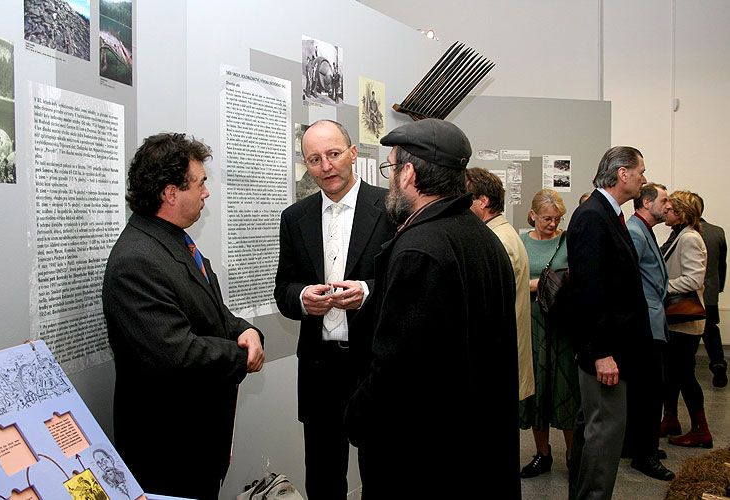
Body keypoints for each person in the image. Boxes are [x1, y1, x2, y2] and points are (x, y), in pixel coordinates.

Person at [345, 119, 521, 499]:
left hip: (422, 458)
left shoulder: (419, 248)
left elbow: (397, 367)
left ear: (408, 173)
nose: (390, 179)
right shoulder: (480, 236)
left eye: (392, 168)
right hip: (473, 448)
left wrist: (356, 414)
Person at [102, 133, 265, 500]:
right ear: (170, 193)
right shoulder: (137, 261)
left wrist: (248, 331)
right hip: (167, 452)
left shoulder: (173, 242)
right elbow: (175, 353)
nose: (206, 193)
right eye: (201, 183)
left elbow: (213, 313)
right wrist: (243, 356)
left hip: (197, 445)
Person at [274, 120, 396, 500]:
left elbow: (406, 284)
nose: (325, 166)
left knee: (382, 472)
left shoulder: (391, 209)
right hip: (320, 368)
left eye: (333, 154)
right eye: (314, 159)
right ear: (306, 165)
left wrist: (366, 291)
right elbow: (283, 289)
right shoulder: (295, 217)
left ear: (353, 154)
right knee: (324, 477)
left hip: (375, 364)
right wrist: (302, 298)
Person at [567, 146, 652, 500]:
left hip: (612, 349)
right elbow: (590, 291)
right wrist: (602, 352)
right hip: (605, 353)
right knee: (605, 434)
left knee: (594, 430)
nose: (644, 179)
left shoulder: (607, 213)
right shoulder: (593, 216)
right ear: (623, 174)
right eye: (641, 171)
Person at [517, 189, 579, 477]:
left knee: (566, 389)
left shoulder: (569, 243)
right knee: (536, 389)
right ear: (533, 215)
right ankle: (543, 454)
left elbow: (576, 281)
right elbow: (511, 279)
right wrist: (542, 283)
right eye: (547, 219)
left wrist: (533, 284)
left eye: (557, 219)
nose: (553, 224)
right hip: (530, 324)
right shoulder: (521, 243)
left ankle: (572, 454)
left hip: (561, 325)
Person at [466, 168, 534, 404]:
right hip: (504, 354)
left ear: (482, 201)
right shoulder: (501, 234)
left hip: (498, 357)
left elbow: (485, 308)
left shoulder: (496, 242)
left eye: (465, 199)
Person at [623, 183, 675, 481]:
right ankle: (645, 454)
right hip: (644, 323)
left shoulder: (645, 229)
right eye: (664, 200)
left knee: (646, 390)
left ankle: (640, 445)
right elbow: (630, 280)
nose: (668, 206)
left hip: (651, 320)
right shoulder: (635, 231)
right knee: (649, 392)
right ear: (646, 202)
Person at [660, 190, 713, 448]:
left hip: (686, 319)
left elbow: (693, 279)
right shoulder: (678, 235)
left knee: (684, 374)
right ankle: (670, 419)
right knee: (672, 373)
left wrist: (662, 286)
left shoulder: (689, 238)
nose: (665, 211)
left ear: (680, 212)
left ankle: (701, 430)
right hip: (676, 320)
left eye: (668, 208)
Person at [696, 196, 728, 387]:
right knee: (710, 330)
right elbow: (721, 265)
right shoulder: (717, 232)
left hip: (690, 293)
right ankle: (718, 366)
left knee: (685, 335)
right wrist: (718, 288)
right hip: (711, 292)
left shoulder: (684, 232)